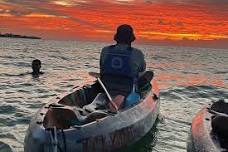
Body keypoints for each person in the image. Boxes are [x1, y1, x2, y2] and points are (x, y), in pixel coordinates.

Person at [99, 24, 146, 111]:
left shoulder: (105, 50)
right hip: (126, 88)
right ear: (132, 38)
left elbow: (102, 69)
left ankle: (106, 102)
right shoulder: (137, 53)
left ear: (116, 37)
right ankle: (119, 102)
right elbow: (142, 72)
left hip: (105, 86)